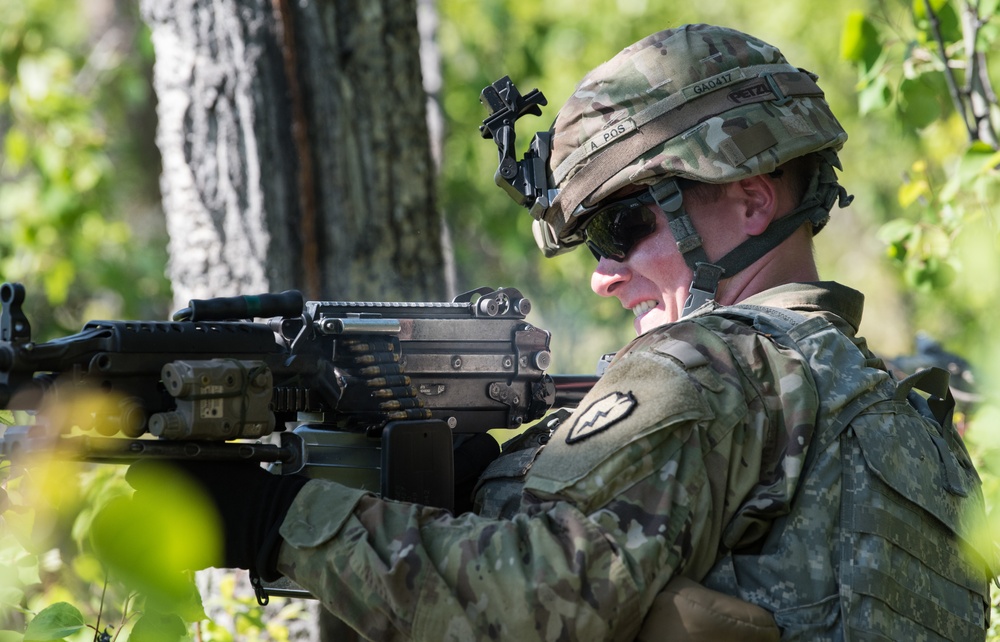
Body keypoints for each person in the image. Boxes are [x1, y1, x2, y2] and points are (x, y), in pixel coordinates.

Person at [127, 24, 994, 640]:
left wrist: (282, 518)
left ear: (750, 197)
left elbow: (542, 605)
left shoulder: (708, 367)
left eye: (622, 229)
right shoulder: (896, 411)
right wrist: (493, 487)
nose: (602, 273)